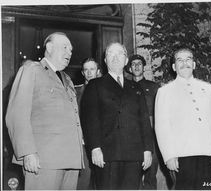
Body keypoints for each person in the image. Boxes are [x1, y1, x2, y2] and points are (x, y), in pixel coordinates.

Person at [5, 32, 84, 190]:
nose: (69, 52)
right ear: (49, 47)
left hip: (71, 159)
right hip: (44, 160)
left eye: (71, 50)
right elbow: (17, 114)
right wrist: (27, 152)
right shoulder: (31, 69)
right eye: (65, 47)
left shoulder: (68, 79)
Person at [80, 42, 153, 190]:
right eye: (110, 54)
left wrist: (147, 150)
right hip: (107, 154)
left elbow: (144, 120)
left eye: (120, 53)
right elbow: (90, 119)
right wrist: (95, 148)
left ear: (126, 61)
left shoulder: (135, 87)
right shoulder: (95, 85)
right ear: (105, 61)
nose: (115, 57)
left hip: (134, 154)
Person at [155, 47, 211, 190]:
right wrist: (169, 155)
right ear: (174, 67)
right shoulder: (164, 92)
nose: (185, 63)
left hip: (208, 153)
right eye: (180, 60)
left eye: (188, 59)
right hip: (181, 155)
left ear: (194, 65)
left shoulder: (208, 88)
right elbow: (162, 127)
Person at [126, 54, 159, 189]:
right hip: (132, 135)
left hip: (151, 136)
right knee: (133, 174)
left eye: (140, 63)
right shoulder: (125, 87)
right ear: (129, 68)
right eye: (134, 64)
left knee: (151, 173)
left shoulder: (154, 87)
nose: (137, 66)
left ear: (144, 67)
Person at [75, 58, 101, 190]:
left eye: (92, 69)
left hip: (102, 144)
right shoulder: (75, 92)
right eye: (86, 70)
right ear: (82, 73)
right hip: (82, 144)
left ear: (98, 71)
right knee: (83, 182)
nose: (89, 72)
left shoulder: (106, 90)